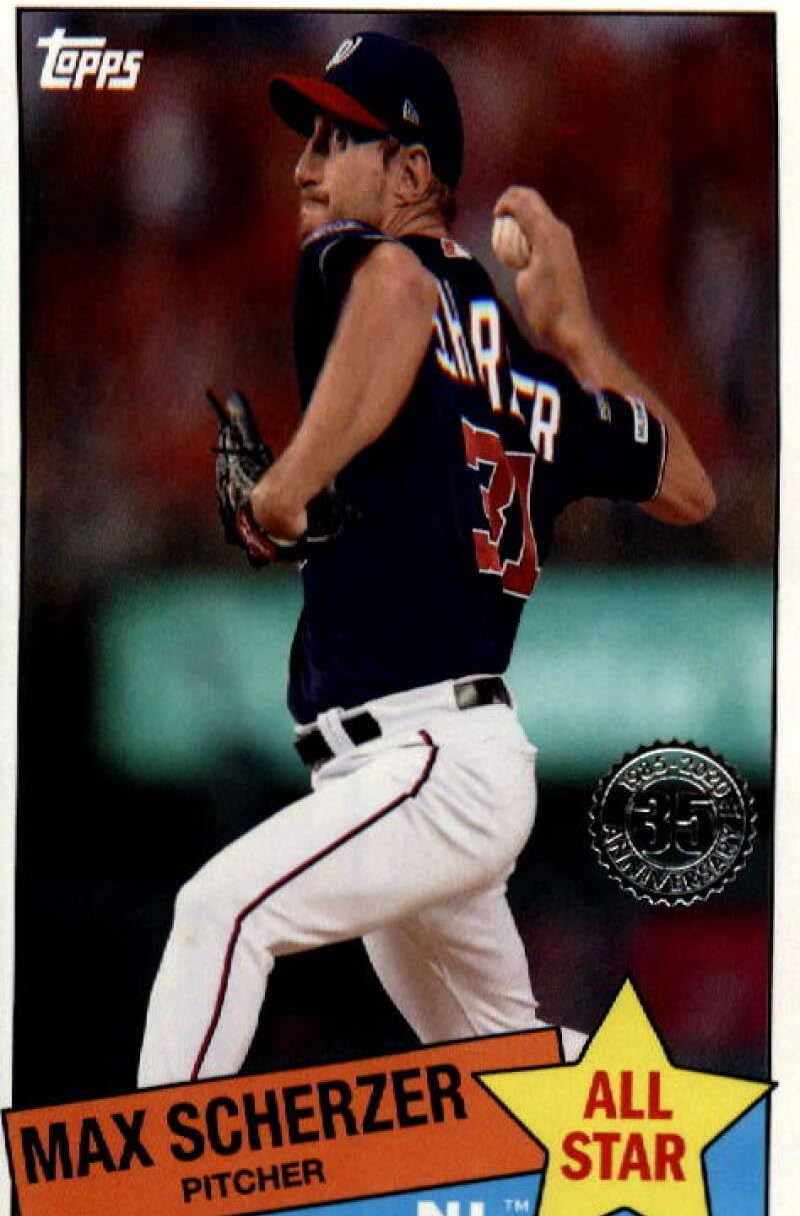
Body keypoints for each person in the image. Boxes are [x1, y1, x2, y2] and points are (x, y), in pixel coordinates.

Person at [138, 31, 715, 1087]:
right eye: (307, 142)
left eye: (336, 142)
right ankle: (708, 1143)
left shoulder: (357, 258)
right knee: (509, 1078)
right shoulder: (534, 380)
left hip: (425, 759)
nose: (306, 169)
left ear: (410, 174)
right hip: (435, 761)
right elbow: (686, 484)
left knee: (218, 912)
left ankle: (140, 1178)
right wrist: (575, 336)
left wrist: (285, 487)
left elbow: (402, 294)